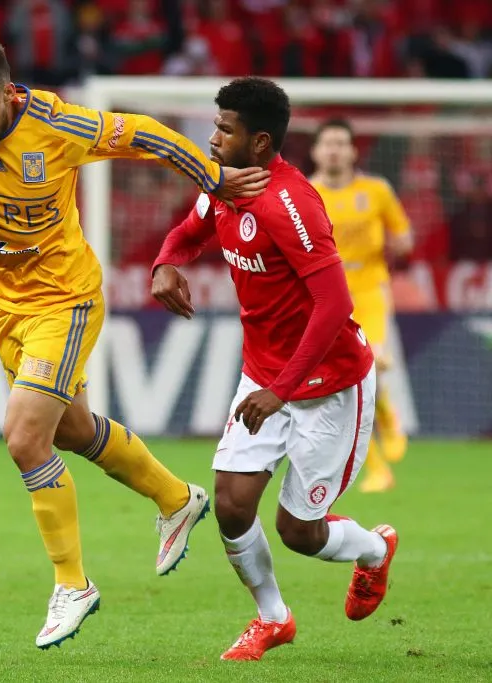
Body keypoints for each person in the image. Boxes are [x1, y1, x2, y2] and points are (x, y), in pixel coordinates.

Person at [0, 33, 270, 649]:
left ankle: (72, 584)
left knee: (23, 437)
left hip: (67, 300)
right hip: (7, 307)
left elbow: (144, 133)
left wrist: (213, 177)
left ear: (6, 93)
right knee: (71, 431)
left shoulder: (58, 125)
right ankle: (176, 498)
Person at [151, 77, 398, 662]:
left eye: (224, 129)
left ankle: (375, 550)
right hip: (266, 377)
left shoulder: (290, 203)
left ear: (260, 142)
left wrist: (281, 391)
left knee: (299, 534)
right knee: (232, 506)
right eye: (214, 124)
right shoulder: (225, 187)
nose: (211, 139)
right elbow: (189, 231)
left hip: (330, 385)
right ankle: (272, 619)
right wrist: (165, 263)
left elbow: (335, 305)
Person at [310, 119, 413, 493]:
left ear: (354, 151)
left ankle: (386, 415)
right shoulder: (306, 193)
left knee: (370, 365)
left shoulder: (377, 190)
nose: (334, 150)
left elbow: (403, 234)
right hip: (327, 298)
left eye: (341, 143)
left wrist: (399, 244)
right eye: (328, 143)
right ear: (316, 151)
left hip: (369, 290)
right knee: (346, 383)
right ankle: (377, 468)